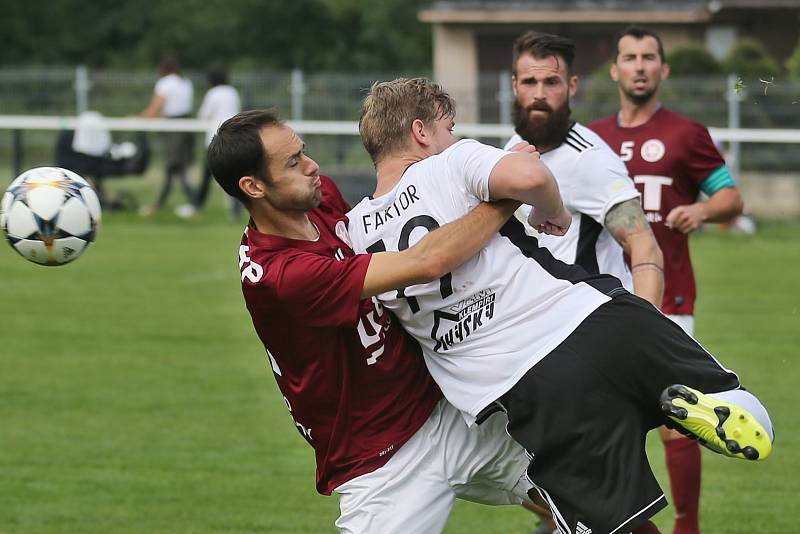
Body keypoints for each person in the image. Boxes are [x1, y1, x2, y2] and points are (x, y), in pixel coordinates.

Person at [346, 77, 773, 534]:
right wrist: (553, 211)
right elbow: (530, 176)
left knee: (616, 524)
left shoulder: (353, 234)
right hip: (596, 315)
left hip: (528, 385)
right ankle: (685, 403)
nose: (453, 137)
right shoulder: (450, 161)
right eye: (449, 126)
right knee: (741, 406)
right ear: (421, 132)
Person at [206, 109, 559, 533]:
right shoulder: (282, 277)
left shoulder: (321, 201)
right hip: (380, 459)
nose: (312, 165)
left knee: (586, 495)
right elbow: (427, 261)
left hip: (448, 409)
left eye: (304, 152)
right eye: (293, 162)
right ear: (253, 186)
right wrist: (508, 193)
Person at [503, 31, 664, 534]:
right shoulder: (515, 150)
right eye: (530, 81)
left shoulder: (589, 159)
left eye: (551, 82)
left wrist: (647, 333)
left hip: (588, 353)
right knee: (557, 495)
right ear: (514, 85)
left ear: (571, 86)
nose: (539, 93)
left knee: (604, 507)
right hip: (530, 353)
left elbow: (644, 246)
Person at [588, 26, 746, 534]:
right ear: (615, 70)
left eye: (649, 57)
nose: (639, 66)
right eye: (629, 57)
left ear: (663, 70)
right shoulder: (589, 140)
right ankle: (572, 516)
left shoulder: (686, 134)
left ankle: (686, 524)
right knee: (590, 417)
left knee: (677, 414)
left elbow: (730, 197)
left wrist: (701, 209)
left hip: (669, 294)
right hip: (595, 297)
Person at [139, 55, 196, 216]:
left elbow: (155, 109)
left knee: (175, 167)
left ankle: (192, 203)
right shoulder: (186, 83)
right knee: (177, 168)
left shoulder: (165, 83)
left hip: (173, 128)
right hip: (186, 126)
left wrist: (137, 118)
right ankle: (163, 204)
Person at [195, 63, 241, 215]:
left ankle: (197, 207)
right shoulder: (233, 92)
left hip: (214, 140)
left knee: (207, 176)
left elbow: (203, 115)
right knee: (234, 176)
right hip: (233, 139)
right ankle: (236, 210)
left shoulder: (213, 93)